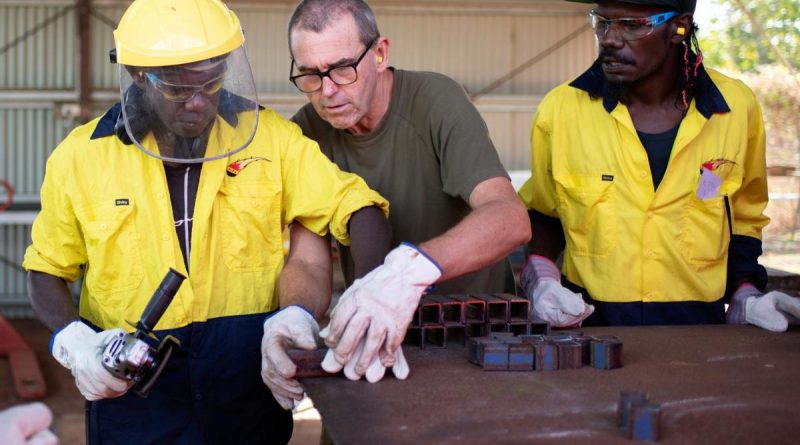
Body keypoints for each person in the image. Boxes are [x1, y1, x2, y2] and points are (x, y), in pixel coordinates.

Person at [22, 0, 390, 442]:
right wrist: (75, 341)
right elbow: (45, 269)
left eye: (211, 82)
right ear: (138, 76)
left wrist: (374, 296)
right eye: (177, 88)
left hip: (245, 382)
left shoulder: (272, 140)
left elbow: (358, 208)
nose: (197, 103)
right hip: (134, 397)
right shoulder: (81, 158)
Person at [285, 0, 531, 387]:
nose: (328, 91)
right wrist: (295, 314)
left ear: (380, 53)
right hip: (376, 344)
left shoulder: (436, 102)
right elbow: (309, 261)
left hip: (477, 340)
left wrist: (410, 272)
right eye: (311, 76)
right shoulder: (304, 135)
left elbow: (509, 218)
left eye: (343, 69)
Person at [518, 0, 800, 330]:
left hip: (700, 337)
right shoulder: (561, 110)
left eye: (632, 25)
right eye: (602, 22)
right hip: (592, 332)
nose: (610, 38)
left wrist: (745, 293)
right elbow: (545, 214)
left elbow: (744, 217)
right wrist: (542, 280)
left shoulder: (736, 109)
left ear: (679, 27)